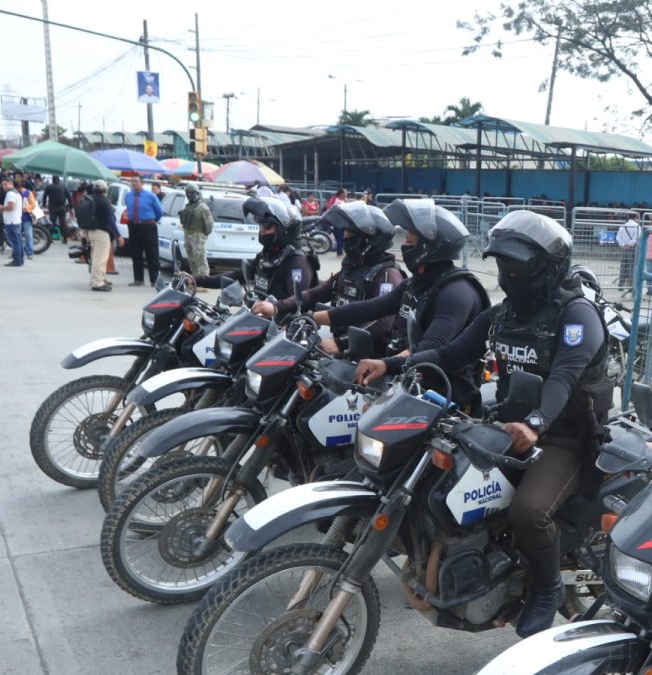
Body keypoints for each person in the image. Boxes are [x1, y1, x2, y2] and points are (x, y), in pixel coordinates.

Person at [361, 211, 613, 639]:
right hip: (510, 425)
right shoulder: (505, 314)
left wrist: (537, 421)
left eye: (519, 267)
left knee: (528, 511)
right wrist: (390, 364)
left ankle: (547, 590)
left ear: (548, 268)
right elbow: (450, 353)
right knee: (439, 481)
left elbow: (564, 377)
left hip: (567, 436)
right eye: (503, 265)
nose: (508, 275)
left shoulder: (577, 316)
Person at [330, 198, 489, 410]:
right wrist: (307, 316)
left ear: (429, 245)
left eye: (409, 239)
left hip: (446, 396)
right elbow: (368, 308)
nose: (404, 245)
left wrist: (387, 365)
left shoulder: (457, 293)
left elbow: (430, 347)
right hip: (411, 380)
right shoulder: (417, 284)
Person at [254, 201, 406, 355]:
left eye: (349, 233)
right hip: (343, 350)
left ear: (366, 239)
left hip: (372, 359)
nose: (344, 237)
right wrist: (277, 307)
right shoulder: (353, 268)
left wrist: (341, 343)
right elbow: (318, 292)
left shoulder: (388, 275)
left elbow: (382, 323)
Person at [77, 180, 123, 291]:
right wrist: (118, 235)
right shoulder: (104, 201)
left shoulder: (90, 198)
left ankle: (98, 279)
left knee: (94, 257)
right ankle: (97, 282)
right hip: (101, 233)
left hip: (91, 232)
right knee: (100, 258)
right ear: (105, 190)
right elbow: (110, 220)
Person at [122, 175, 163, 286]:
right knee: (136, 253)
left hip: (148, 227)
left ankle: (154, 280)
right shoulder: (128, 196)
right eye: (132, 181)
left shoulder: (150, 196)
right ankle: (138, 279)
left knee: (152, 254)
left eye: (136, 181)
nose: (133, 183)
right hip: (133, 226)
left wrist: (151, 221)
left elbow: (159, 212)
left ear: (142, 183)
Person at [179, 185, 214, 280]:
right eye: (188, 193)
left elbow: (209, 224)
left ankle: (204, 280)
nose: (190, 195)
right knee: (192, 259)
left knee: (200, 258)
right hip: (188, 234)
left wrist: (203, 235)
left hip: (198, 235)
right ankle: (195, 280)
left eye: (193, 193)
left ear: (197, 193)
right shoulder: (188, 206)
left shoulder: (202, 207)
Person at [0, 178, 24, 266]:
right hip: (16, 220)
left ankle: (17, 260)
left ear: (11, 183)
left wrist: (1, 208)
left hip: (11, 221)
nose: (4, 186)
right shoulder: (16, 193)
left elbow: (11, 206)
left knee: (15, 242)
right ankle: (20, 260)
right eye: (3, 185)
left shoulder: (10, 193)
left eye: (5, 184)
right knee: (18, 241)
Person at [615, 211, 639, 296]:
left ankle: (621, 284)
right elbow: (637, 238)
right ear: (636, 217)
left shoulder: (622, 226)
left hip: (624, 248)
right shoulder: (637, 227)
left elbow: (618, 237)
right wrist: (630, 244)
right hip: (632, 249)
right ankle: (631, 285)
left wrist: (623, 244)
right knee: (631, 267)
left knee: (623, 266)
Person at [325, 188, 349, 256]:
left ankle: (340, 251)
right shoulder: (337, 201)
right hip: (338, 222)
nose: (346, 194)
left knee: (340, 237)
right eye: (345, 193)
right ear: (341, 194)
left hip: (340, 221)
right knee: (340, 237)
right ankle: (339, 253)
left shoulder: (342, 200)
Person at [19, 180, 36, 259]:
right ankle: (19, 252)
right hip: (17, 217)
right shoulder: (14, 193)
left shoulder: (28, 192)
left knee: (28, 235)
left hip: (26, 216)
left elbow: (33, 204)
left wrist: (24, 208)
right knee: (19, 235)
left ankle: (29, 252)